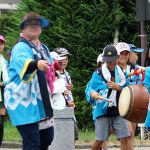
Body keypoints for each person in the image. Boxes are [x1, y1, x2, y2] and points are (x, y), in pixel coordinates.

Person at [4, 12, 54, 150]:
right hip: (22, 100)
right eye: (30, 24)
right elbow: (25, 63)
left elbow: (49, 70)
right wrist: (37, 64)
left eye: (37, 23)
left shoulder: (43, 47)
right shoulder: (20, 47)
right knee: (32, 142)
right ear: (22, 28)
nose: (34, 26)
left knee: (47, 138)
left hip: (40, 101)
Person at [85, 44, 130, 150]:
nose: (111, 63)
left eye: (113, 60)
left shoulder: (122, 74)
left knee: (125, 137)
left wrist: (118, 87)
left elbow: (128, 90)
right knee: (100, 139)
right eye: (108, 61)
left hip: (119, 109)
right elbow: (90, 88)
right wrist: (93, 94)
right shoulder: (98, 73)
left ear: (117, 58)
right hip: (102, 109)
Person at [53, 47, 79, 140]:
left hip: (69, 107)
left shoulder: (67, 74)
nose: (64, 61)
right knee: (59, 137)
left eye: (66, 59)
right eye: (61, 58)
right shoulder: (52, 73)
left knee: (73, 135)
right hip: (58, 107)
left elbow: (68, 91)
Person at [0, 34, 9, 145]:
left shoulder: (4, 61)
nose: (0, 46)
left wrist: (3, 83)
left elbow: (8, 78)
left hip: (2, 97)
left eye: (2, 44)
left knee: (1, 124)